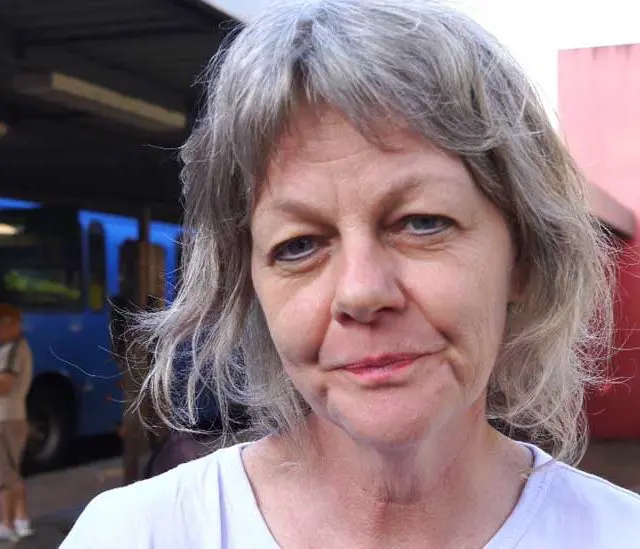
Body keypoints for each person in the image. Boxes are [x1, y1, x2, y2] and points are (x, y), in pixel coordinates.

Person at [61, 0, 640, 547]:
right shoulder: (134, 534)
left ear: (523, 259)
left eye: (421, 222)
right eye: (299, 246)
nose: (361, 292)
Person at [0, 304, 33, 541]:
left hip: (6, 418)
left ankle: (7, 524)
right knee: (12, 470)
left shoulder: (12, 349)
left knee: (5, 475)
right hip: (11, 417)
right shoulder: (12, 346)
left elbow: (4, 385)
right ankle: (21, 520)